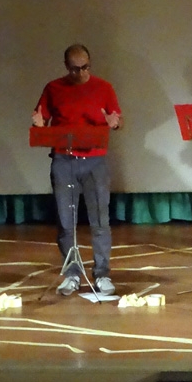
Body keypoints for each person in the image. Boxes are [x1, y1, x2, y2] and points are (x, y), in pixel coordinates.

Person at [31, 43, 123, 296]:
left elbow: (118, 120)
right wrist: (39, 125)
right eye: (75, 69)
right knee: (65, 222)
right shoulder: (53, 88)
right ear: (66, 67)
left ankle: (102, 274)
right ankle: (71, 274)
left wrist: (114, 123)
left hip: (95, 161)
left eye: (85, 67)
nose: (81, 73)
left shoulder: (103, 87)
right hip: (64, 160)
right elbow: (41, 122)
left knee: (100, 221)